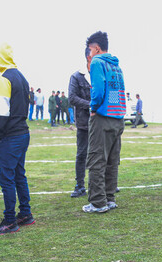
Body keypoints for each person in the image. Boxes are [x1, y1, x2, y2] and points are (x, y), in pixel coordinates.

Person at [0, 43, 35, 235]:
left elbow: (3, 112)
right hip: (23, 132)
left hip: (10, 136)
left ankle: (9, 221)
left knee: (7, 178)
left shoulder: (3, 79)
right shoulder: (21, 77)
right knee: (19, 175)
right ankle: (25, 214)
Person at [83, 31, 126, 213]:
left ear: (97, 48)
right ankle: (109, 198)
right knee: (111, 161)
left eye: (90, 50)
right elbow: (116, 92)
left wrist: (93, 108)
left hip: (102, 118)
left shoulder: (97, 63)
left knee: (96, 159)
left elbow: (98, 90)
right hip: (118, 118)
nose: (89, 54)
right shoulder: (116, 66)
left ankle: (98, 203)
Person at [68, 47, 92, 198]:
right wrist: (90, 105)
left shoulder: (99, 75)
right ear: (88, 57)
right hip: (84, 123)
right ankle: (80, 185)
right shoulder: (76, 76)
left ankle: (105, 184)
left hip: (100, 122)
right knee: (82, 154)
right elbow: (72, 98)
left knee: (101, 154)